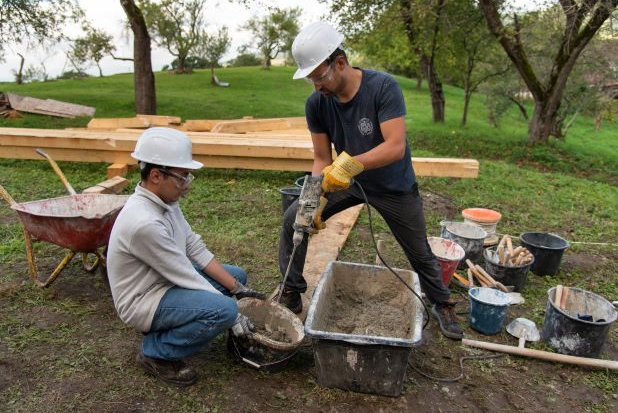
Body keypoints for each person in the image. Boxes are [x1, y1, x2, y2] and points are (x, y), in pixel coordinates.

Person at [278, 22, 463, 340]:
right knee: (294, 219)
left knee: (419, 251)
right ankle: (291, 291)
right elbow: (321, 157)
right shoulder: (317, 104)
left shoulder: (383, 87)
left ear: (340, 62)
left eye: (320, 77)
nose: (316, 86)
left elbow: (395, 146)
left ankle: (442, 303)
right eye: (311, 79)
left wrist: (349, 165)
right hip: (346, 183)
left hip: (393, 186)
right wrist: (312, 197)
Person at [107, 127, 265, 387]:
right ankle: (156, 352)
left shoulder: (165, 202)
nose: (186, 184)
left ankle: (184, 321)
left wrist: (237, 288)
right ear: (156, 175)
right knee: (225, 309)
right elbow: (184, 273)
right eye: (182, 176)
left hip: (164, 281)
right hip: (143, 300)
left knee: (235, 276)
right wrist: (233, 312)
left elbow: (193, 247)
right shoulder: (144, 223)